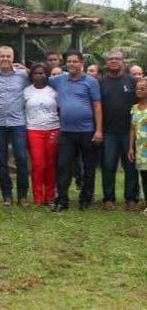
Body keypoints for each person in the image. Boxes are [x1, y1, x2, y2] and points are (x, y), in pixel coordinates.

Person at [49, 50, 103, 212]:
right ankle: (62, 200)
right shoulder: (60, 80)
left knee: (88, 166)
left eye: (75, 61)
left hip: (87, 131)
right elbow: (38, 76)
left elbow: (97, 106)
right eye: (69, 62)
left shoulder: (91, 82)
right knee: (63, 166)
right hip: (66, 132)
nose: (71, 64)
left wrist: (99, 130)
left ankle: (85, 200)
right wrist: (21, 68)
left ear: (81, 63)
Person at [0, 45, 30, 206]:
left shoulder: (23, 75)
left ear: (13, 58)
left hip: (18, 122)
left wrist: (27, 69)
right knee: (0, 159)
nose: (5, 59)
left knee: (22, 158)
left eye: (8, 56)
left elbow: (38, 79)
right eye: (2, 56)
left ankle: (23, 195)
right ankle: (7, 195)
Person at [100, 50, 139, 211]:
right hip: (108, 131)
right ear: (106, 63)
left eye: (117, 59)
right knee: (108, 164)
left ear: (123, 63)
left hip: (128, 132)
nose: (114, 61)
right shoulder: (100, 83)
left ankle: (131, 198)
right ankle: (109, 198)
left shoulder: (132, 81)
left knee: (130, 165)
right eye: (111, 59)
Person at [23, 64, 60, 206]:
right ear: (31, 75)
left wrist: (60, 132)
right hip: (34, 130)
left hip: (53, 130)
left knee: (51, 164)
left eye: (42, 73)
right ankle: (38, 197)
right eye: (36, 73)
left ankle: (50, 196)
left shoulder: (54, 91)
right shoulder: (26, 91)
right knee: (38, 164)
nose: (39, 76)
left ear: (47, 75)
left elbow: (60, 110)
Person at [128, 79, 147, 215]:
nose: (139, 90)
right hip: (140, 148)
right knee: (144, 176)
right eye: (137, 88)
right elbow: (133, 130)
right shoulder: (134, 108)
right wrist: (130, 148)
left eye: (143, 88)